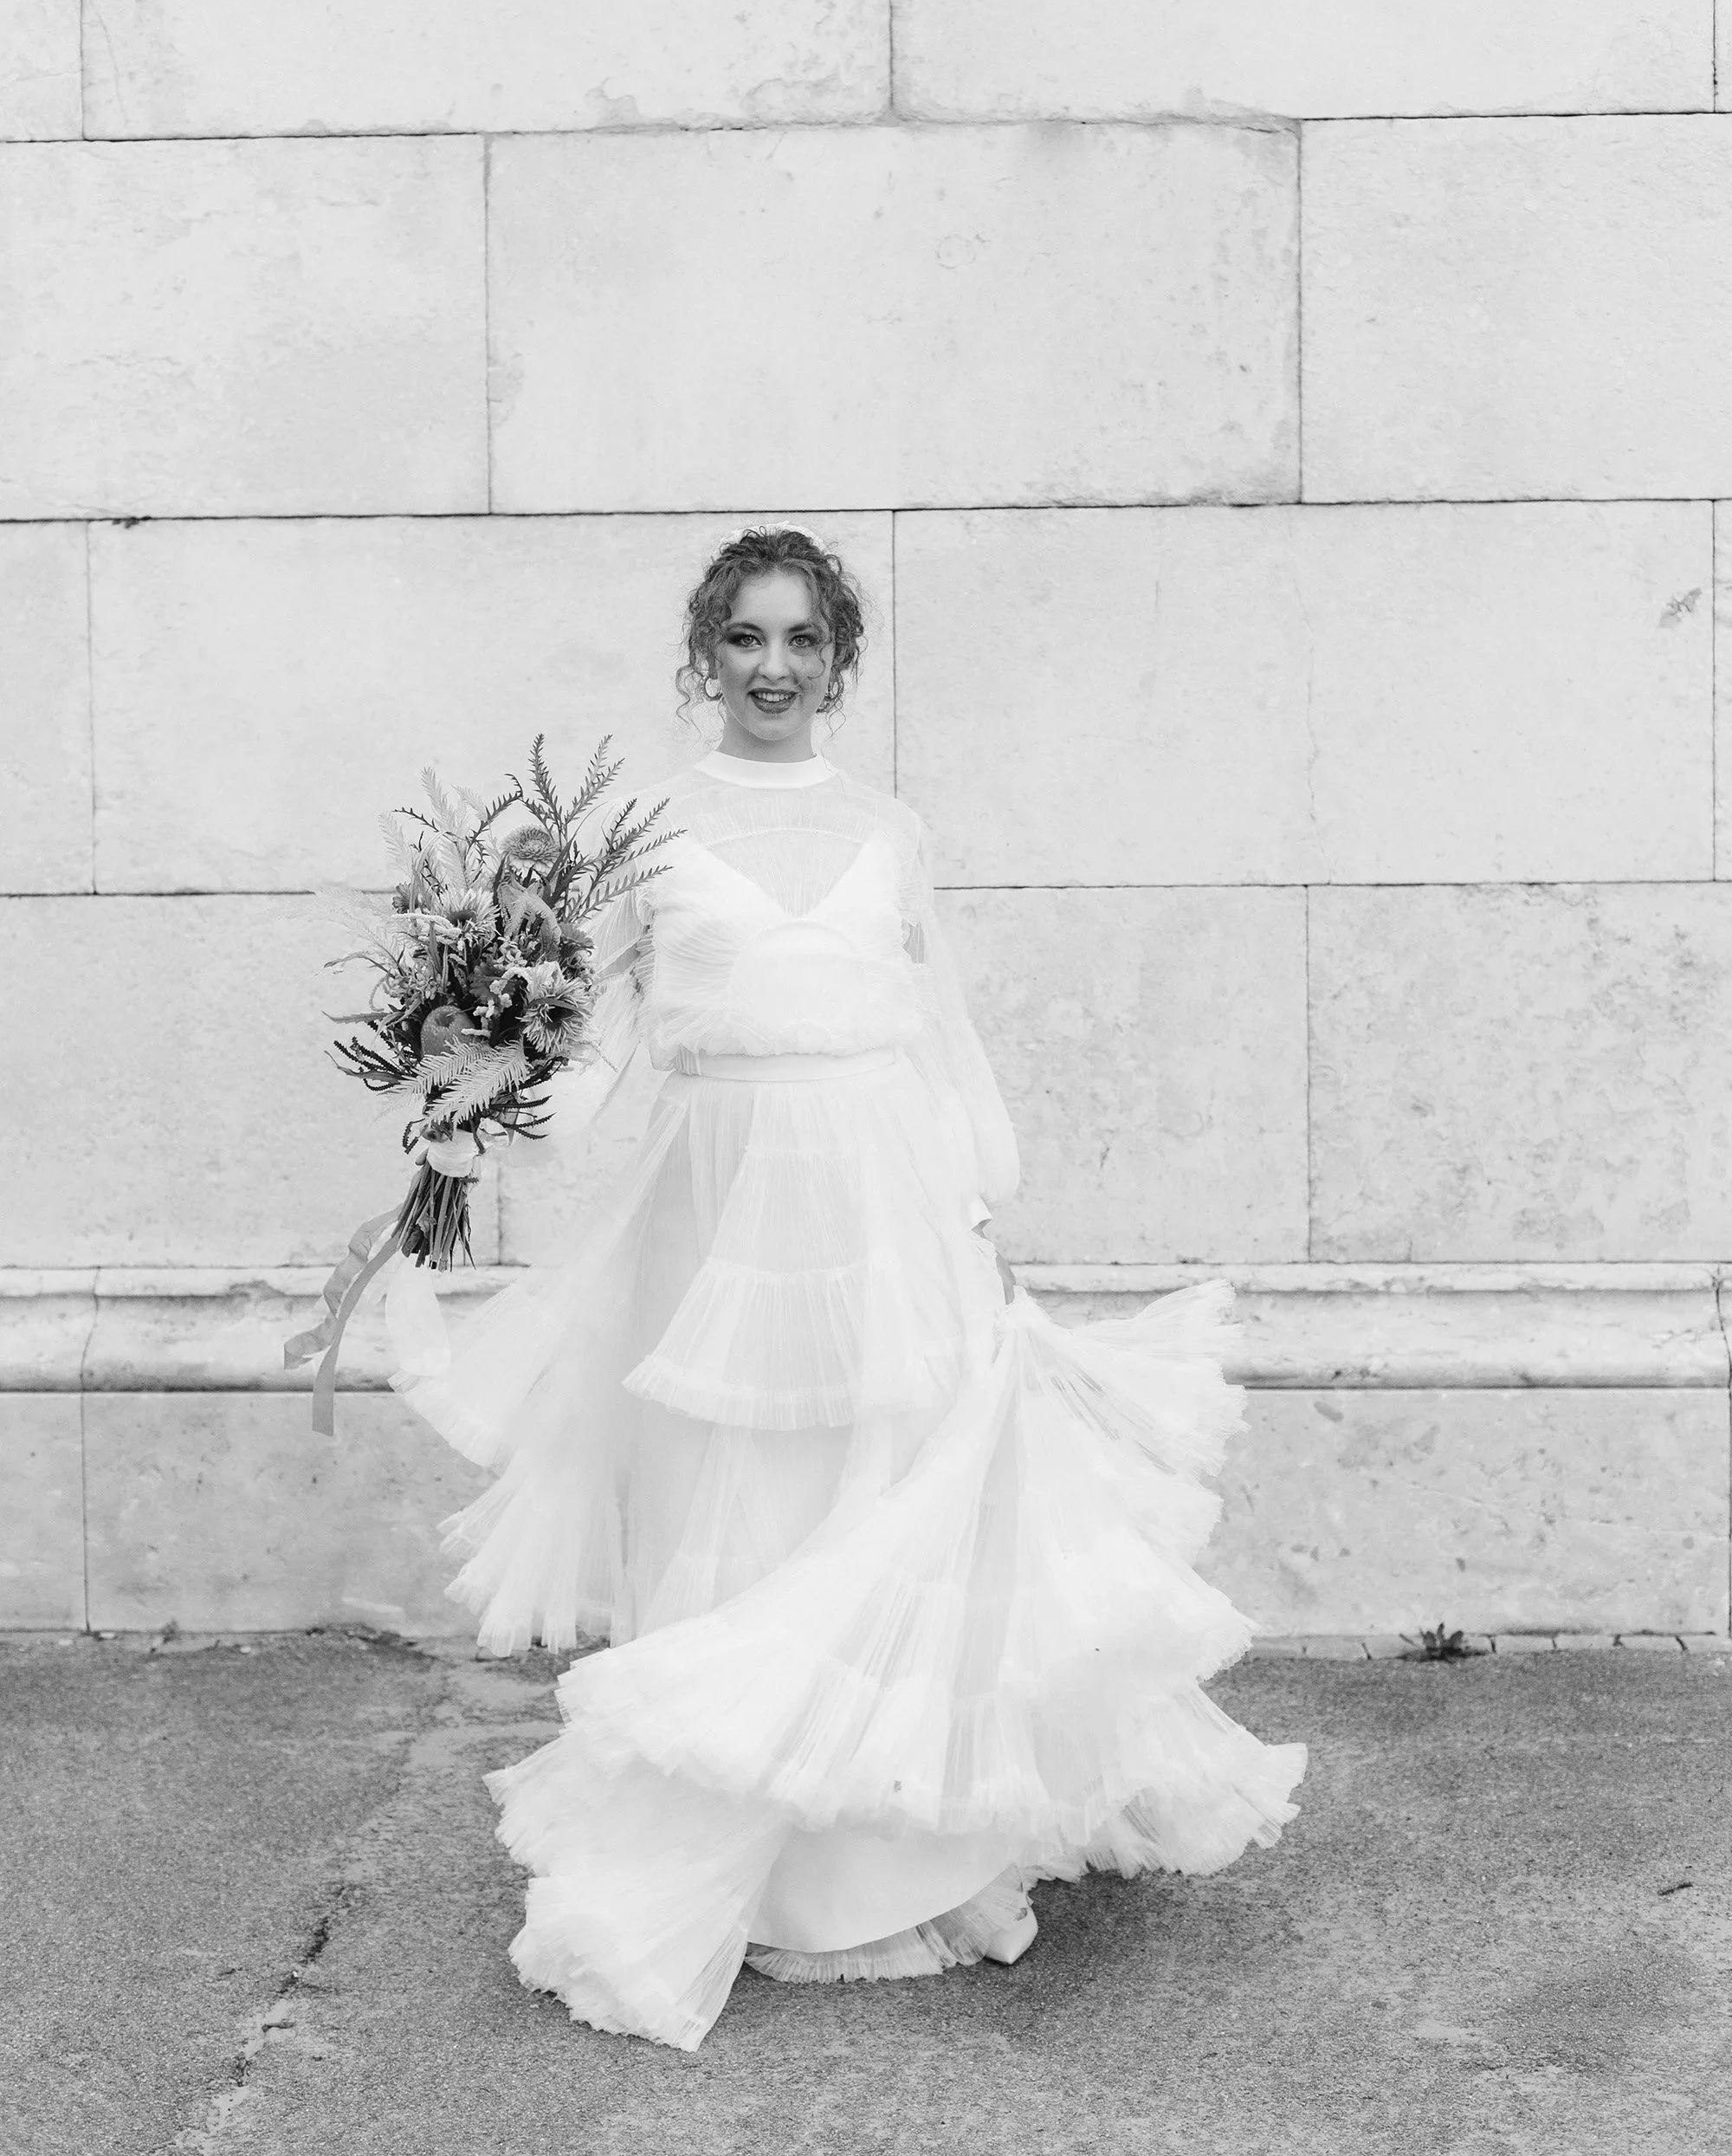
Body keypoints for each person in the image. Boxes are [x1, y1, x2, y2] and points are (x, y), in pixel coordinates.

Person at [393, 522, 1306, 2051]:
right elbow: (601, 1043)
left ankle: (891, 1861)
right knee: (733, 1511)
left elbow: (935, 1028)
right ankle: (741, 1870)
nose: (771, 667)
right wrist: (478, 1108)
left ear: (840, 661)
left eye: (801, 641)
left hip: (879, 1205)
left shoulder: (889, 827)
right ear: (705, 655)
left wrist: (973, 1200)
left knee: (874, 1503)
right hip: (715, 1210)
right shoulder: (647, 835)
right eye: (743, 639)